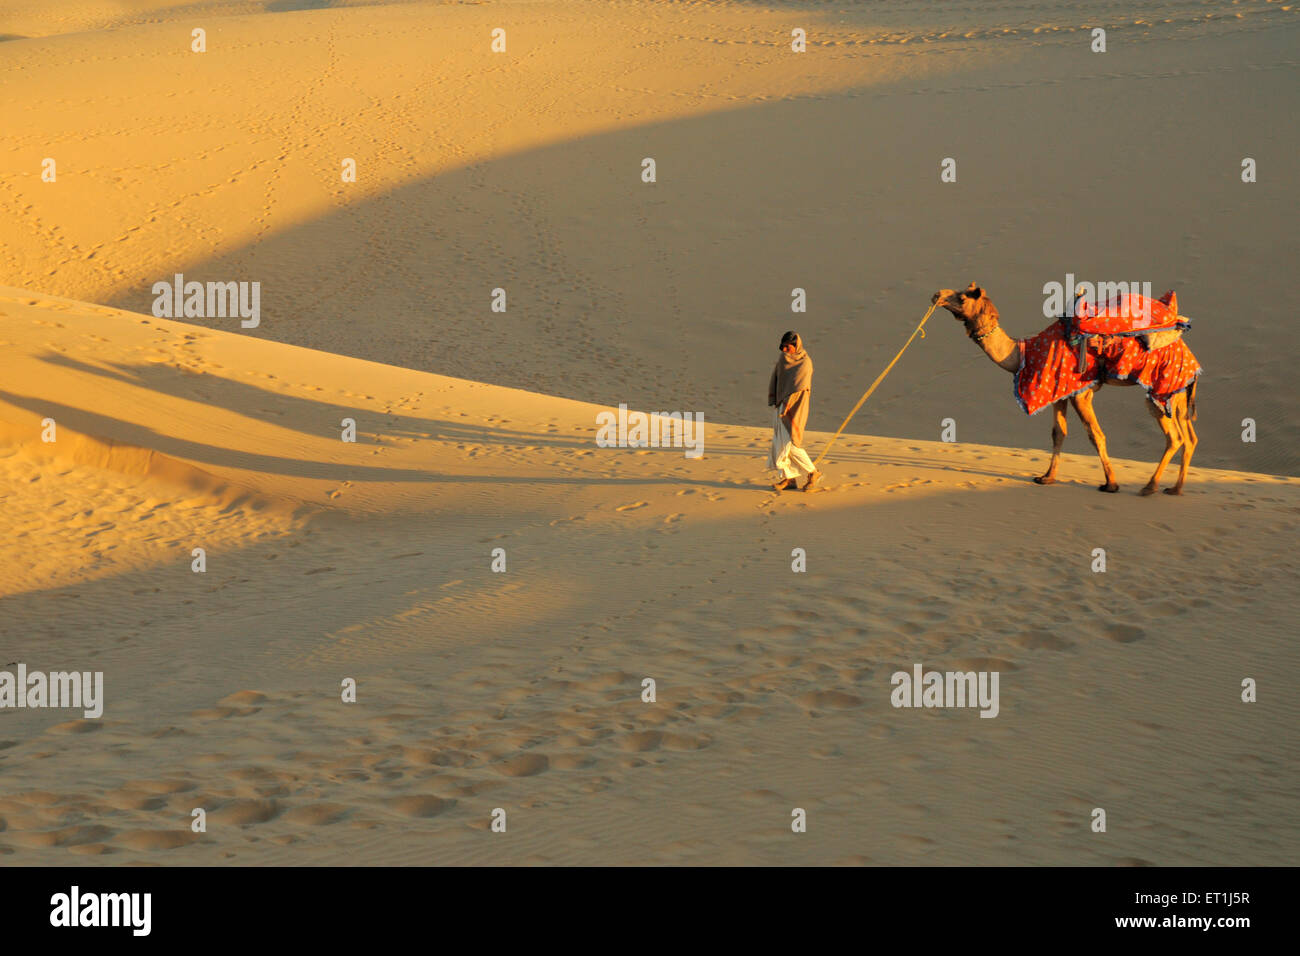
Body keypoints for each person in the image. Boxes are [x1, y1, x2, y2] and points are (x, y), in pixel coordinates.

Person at [767, 330, 820, 491]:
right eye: (782, 347)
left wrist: (788, 404)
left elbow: (800, 388)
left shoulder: (805, 363)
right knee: (779, 445)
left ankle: (813, 473)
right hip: (781, 407)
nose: (784, 350)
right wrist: (776, 400)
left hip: (795, 407)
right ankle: (789, 480)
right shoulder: (783, 359)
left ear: (796, 345)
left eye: (787, 347)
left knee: (790, 445)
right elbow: (775, 377)